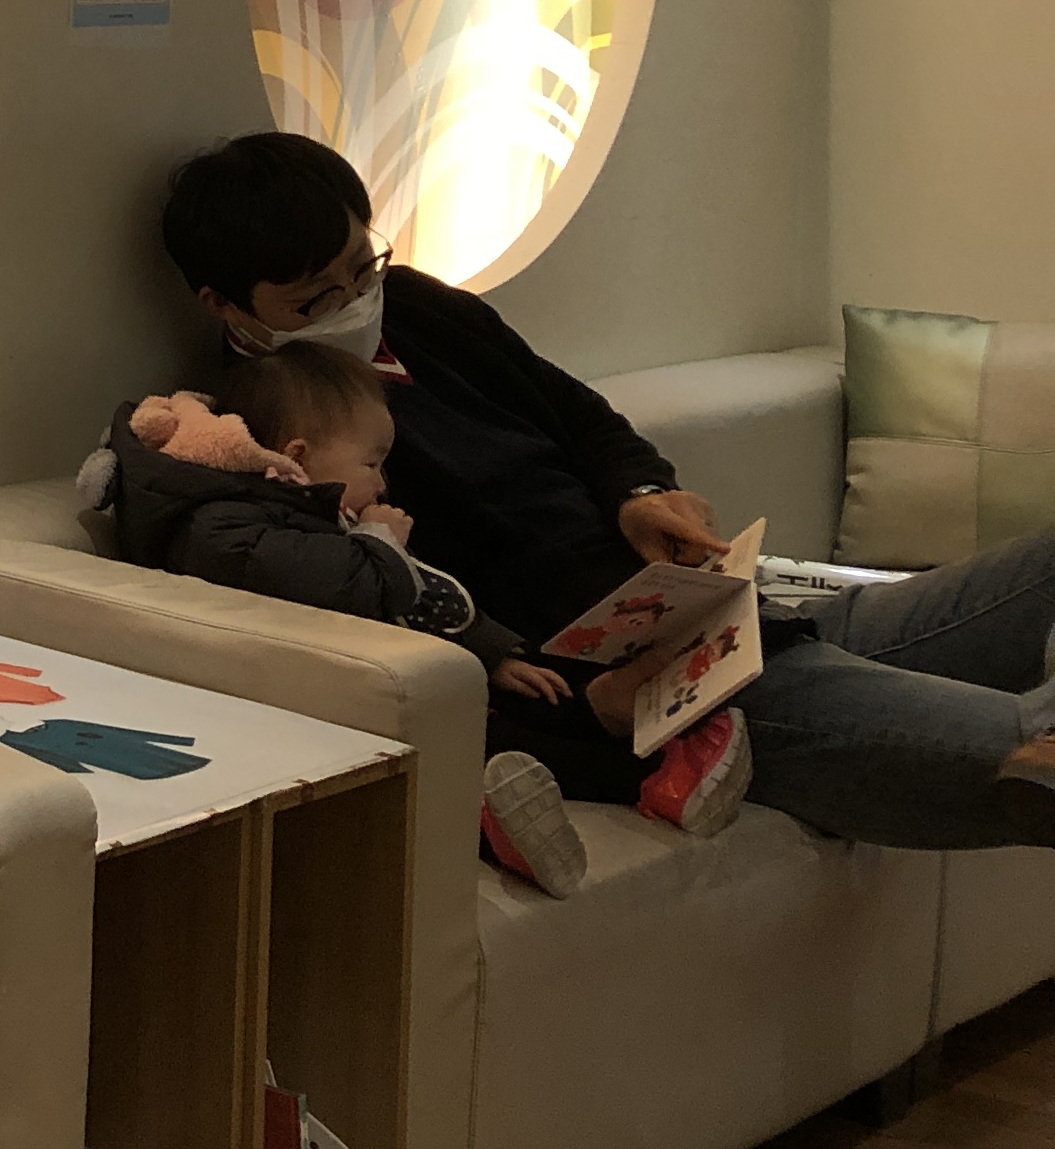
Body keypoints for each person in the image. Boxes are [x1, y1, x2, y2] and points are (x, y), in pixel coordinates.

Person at [159, 132, 1055, 852]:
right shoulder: (265, 442)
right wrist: (585, 711)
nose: (357, 301)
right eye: (316, 299)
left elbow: (584, 419)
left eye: (364, 267)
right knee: (1028, 760)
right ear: (225, 304)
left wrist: (639, 492)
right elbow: (388, 642)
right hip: (663, 690)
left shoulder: (422, 310)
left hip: (733, 615)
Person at [105, 338, 747, 893]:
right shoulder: (225, 527)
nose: (383, 483)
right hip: (350, 706)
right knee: (496, 741)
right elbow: (353, 585)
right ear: (297, 455)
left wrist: (492, 651)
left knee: (533, 693)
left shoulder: (306, 509)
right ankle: (615, 787)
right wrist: (382, 541)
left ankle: (624, 732)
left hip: (409, 676)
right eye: (372, 464)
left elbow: (424, 595)